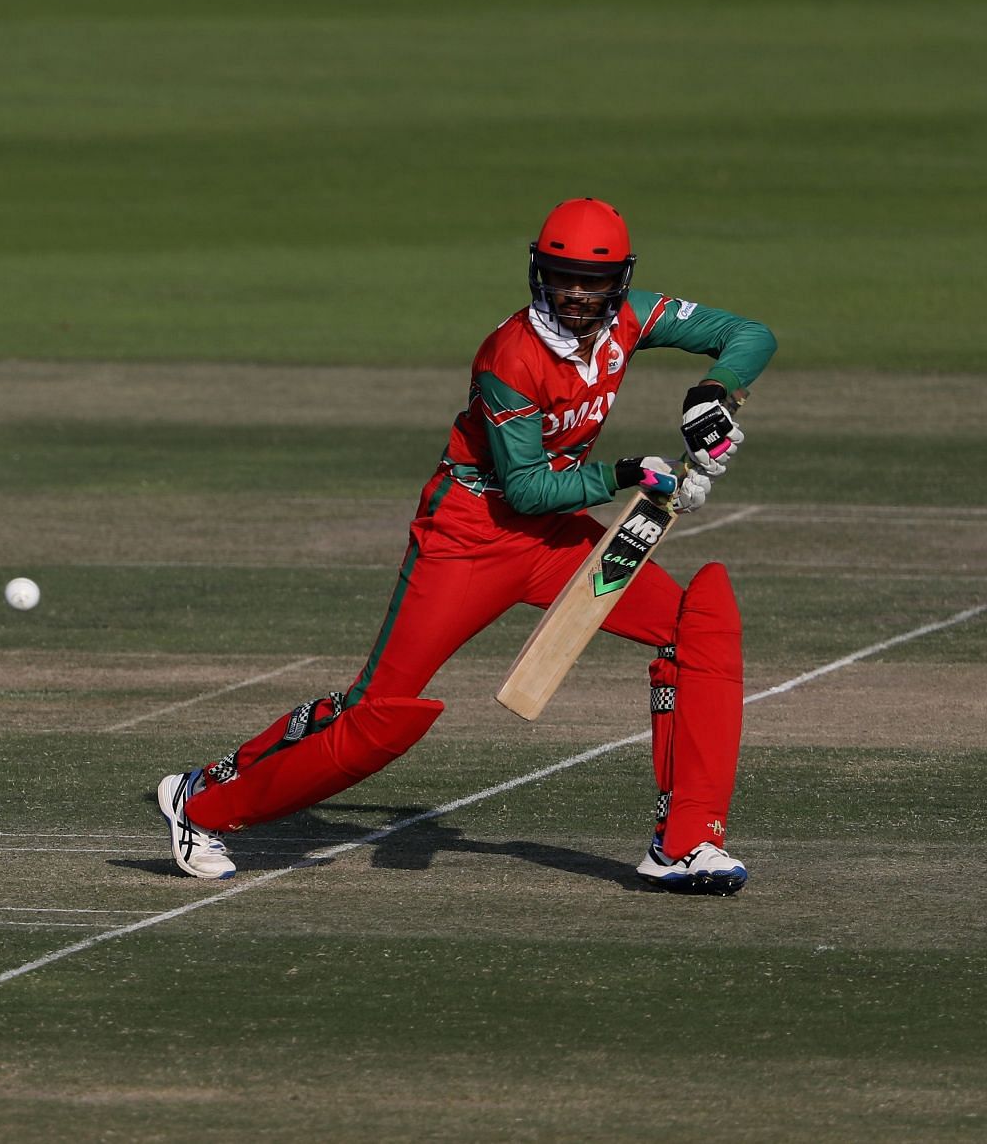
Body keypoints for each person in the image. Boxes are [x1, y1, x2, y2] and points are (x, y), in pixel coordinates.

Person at [157, 198, 776, 894]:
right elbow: (527, 490)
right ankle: (200, 802)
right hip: (470, 535)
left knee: (700, 628)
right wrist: (633, 474)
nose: (575, 294)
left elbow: (750, 334)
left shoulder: (634, 317)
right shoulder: (510, 356)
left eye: (593, 283)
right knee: (378, 717)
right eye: (561, 276)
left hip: (555, 539)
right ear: (538, 271)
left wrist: (714, 395)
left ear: (620, 283)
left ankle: (686, 842)